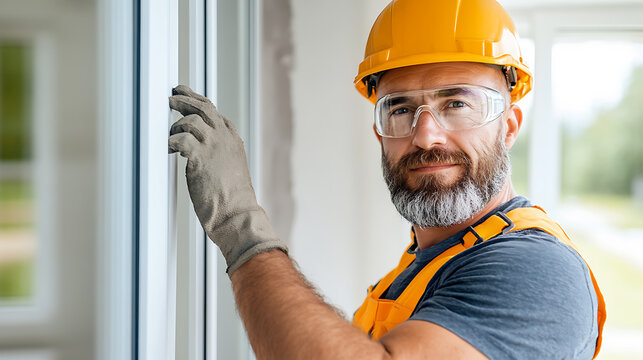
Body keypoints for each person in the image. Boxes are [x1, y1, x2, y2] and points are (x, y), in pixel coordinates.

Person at [167, 0, 606, 358]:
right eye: (399, 109)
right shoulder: (428, 261)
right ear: (379, 132)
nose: (425, 135)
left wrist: (240, 224)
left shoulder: (535, 269)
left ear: (508, 127)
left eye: (456, 103)